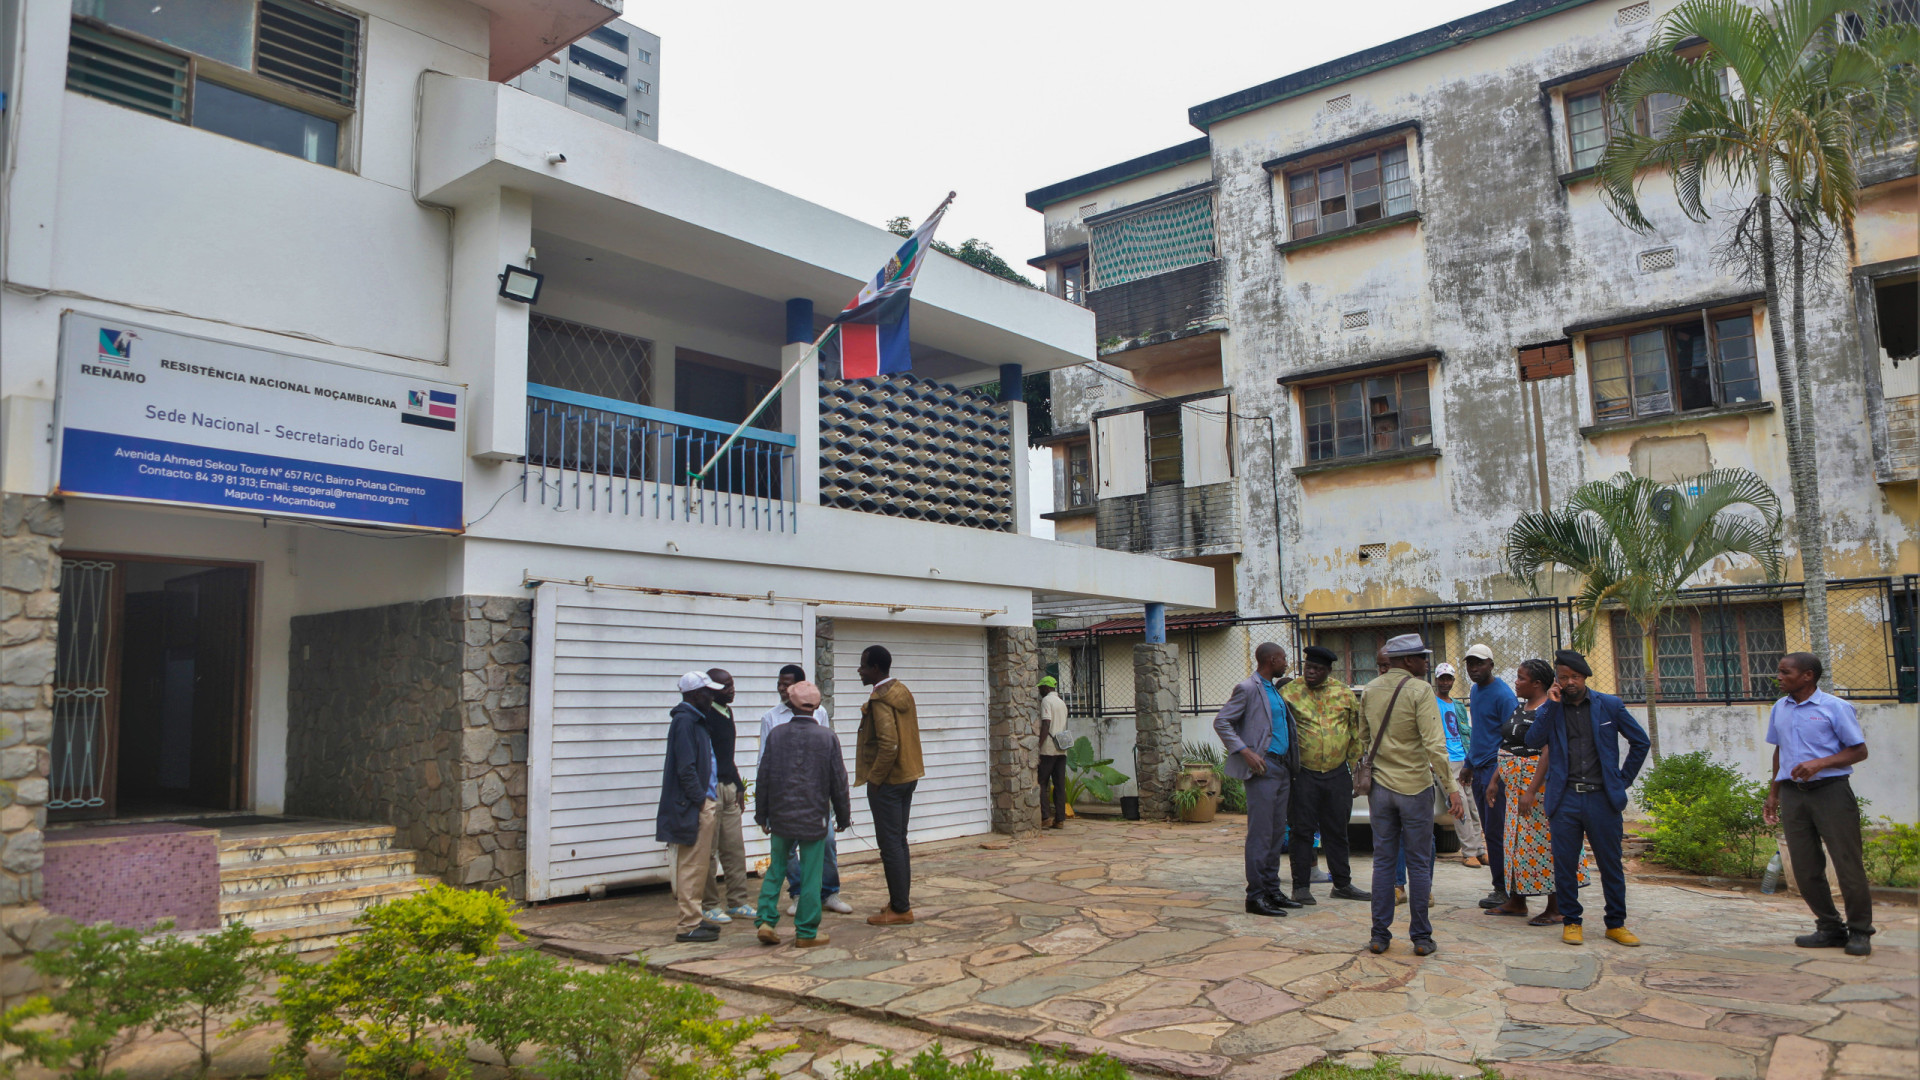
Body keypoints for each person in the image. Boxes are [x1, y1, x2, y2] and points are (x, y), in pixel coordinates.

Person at [1526, 649, 1650, 947]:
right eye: (1564, 677)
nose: (1570, 682)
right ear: (1556, 679)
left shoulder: (1609, 705)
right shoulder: (1551, 708)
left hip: (1602, 799)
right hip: (1565, 800)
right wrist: (1552, 707)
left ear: (1585, 677)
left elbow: (1640, 742)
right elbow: (1532, 741)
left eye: (1575, 677)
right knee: (1565, 865)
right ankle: (1571, 921)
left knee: (1610, 864)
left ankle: (1615, 924)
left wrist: (1622, 781)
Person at [1360, 634, 1464, 956]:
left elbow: (1363, 738)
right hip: (1415, 788)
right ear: (1407, 661)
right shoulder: (1421, 690)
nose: (1426, 662)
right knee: (1418, 864)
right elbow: (1435, 745)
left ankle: (1379, 936)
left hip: (1380, 790)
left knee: (1383, 863)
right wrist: (1452, 789)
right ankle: (1421, 938)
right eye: (1421, 657)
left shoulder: (1370, 689)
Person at [1764, 652, 1873, 957]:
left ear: (1807, 675)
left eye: (1785, 672)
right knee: (1804, 866)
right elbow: (1779, 751)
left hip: (1831, 792)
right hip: (1793, 794)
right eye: (1779, 672)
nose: (1779, 677)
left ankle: (1861, 931)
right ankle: (1829, 927)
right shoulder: (1779, 708)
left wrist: (1820, 763)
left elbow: (1859, 751)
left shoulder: (1835, 708)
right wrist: (1773, 793)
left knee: (1847, 863)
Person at [753, 680, 852, 948]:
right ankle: (806, 932)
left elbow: (764, 776)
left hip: (781, 814)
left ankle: (765, 920)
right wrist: (843, 817)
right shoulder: (827, 737)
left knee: (776, 868)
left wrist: (761, 815)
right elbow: (838, 781)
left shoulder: (777, 734)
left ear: (790, 702)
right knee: (811, 874)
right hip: (814, 816)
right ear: (817, 706)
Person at [1486, 658, 1585, 924]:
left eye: (1521, 678)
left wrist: (1530, 791)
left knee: (1544, 844)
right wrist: (1496, 778)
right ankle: (1518, 900)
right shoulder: (1522, 707)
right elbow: (1509, 745)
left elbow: (1548, 751)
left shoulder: (1550, 709)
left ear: (1538, 684)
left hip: (1537, 790)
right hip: (1514, 787)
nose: (1516, 682)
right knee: (1516, 844)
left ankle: (1556, 906)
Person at [1215, 642, 1301, 918]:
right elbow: (1222, 722)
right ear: (1272, 659)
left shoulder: (1274, 689)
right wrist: (1245, 752)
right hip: (1262, 769)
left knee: (1277, 833)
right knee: (1261, 835)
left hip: (1282, 769)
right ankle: (1255, 896)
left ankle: (1272, 890)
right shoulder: (1248, 688)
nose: (1286, 663)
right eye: (1284, 658)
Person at [1282, 644, 1370, 905]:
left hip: (1336, 774)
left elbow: (1354, 733)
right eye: (1309, 667)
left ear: (1328, 671)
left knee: (1337, 831)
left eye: (1318, 669)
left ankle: (1342, 884)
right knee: (1302, 831)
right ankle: (1301, 887)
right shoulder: (1289, 693)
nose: (1311, 673)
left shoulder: (1343, 694)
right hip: (1303, 774)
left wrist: (1356, 769)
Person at [856, 645, 924, 926]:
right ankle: (899, 902)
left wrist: (875, 779)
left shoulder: (882, 700)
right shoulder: (902, 691)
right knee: (899, 841)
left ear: (874, 669)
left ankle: (900, 908)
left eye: (862, 665)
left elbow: (889, 745)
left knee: (890, 845)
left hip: (889, 781)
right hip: (908, 776)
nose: (858, 670)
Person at [657, 670, 726, 943]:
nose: (712, 696)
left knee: (698, 866)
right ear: (695, 694)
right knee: (691, 866)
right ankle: (688, 926)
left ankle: (694, 919)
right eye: (708, 692)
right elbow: (686, 768)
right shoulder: (685, 722)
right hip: (696, 805)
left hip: (700, 802)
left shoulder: (693, 720)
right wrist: (700, 801)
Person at [699, 668, 757, 926]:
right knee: (708, 851)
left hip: (729, 787)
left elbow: (727, 756)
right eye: (725, 686)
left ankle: (737, 901)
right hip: (709, 791)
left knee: (733, 847)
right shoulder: (704, 716)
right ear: (711, 689)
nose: (731, 690)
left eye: (732, 684)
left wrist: (739, 786)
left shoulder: (727, 712)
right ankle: (709, 904)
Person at [1463, 643, 1517, 910]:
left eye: (1479, 663)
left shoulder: (1504, 695)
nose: (1474, 668)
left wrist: (1496, 777)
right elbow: (1479, 731)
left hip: (1497, 773)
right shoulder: (1475, 691)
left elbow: (1512, 741)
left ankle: (1505, 889)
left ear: (1491, 665)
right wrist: (1468, 763)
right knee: (1490, 831)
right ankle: (1502, 886)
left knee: (1498, 832)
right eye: (1470, 663)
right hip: (1479, 769)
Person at [1435, 664, 1486, 869]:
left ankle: (1479, 849)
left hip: (1463, 759)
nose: (1446, 682)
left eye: (1449, 679)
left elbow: (1466, 733)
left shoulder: (1457, 705)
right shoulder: (1431, 703)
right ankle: (1469, 852)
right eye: (1442, 679)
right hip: (1444, 760)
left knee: (1473, 805)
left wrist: (1470, 758)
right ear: (1436, 680)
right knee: (1459, 804)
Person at [1038, 676, 1069, 829]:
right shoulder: (1062, 703)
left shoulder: (1046, 701)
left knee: (1042, 782)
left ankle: (1045, 817)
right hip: (1062, 748)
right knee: (1059, 784)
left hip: (1048, 748)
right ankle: (1060, 819)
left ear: (1046, 687)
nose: (1039, 691)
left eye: (1041, 688)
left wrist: (1039, 745)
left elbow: (1046, 724)